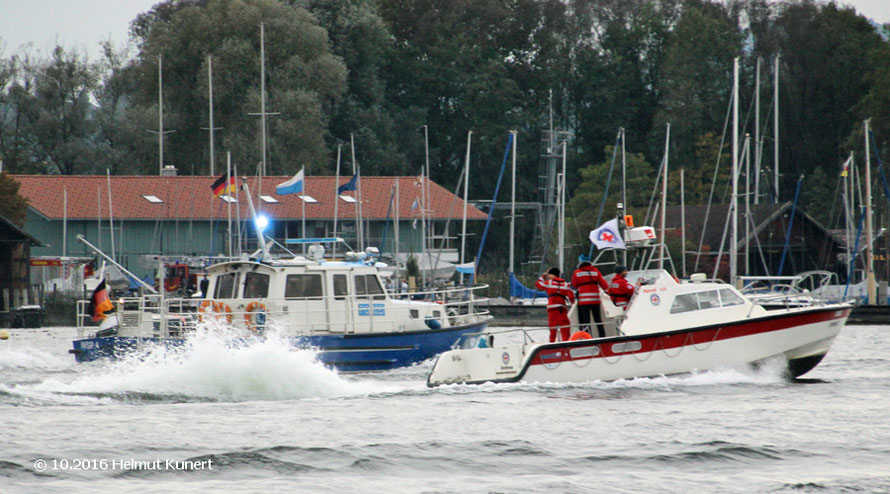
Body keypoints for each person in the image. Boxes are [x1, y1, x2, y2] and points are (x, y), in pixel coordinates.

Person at [535, 267, 575, 342]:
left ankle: (552, 345)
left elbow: (538, 284)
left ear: (552, 275)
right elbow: (571, 296)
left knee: (553, 330)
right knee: (565, 329)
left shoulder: (549, 283)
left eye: (549, 274)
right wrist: (572, 303)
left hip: (552, 310)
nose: (548, 276)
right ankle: (566, 345)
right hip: (562, 310)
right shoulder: (565, 284)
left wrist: (543, 275)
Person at [572, 261, 609, 337]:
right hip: (595, 300)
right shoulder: (595, 271)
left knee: (586, 321)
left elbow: (574, 284)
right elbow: (604, 284)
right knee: (598, 320)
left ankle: (588, 337)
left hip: (583, 302)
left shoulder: (577, 272)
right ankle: (602, 336)